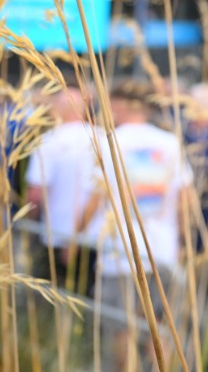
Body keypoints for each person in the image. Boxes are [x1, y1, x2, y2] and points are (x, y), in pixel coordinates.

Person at [80, 81, 193, 371]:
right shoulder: (170, 142)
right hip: (162, 251)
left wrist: (76, 234)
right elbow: (185, 200)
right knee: (160, 326)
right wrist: (182, 243)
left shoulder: (108, 141)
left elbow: (95, 197)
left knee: (122, 327)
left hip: (120, 252)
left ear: (120, 105)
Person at [25, 74, 102, 296]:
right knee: (88, 301)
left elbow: (35, 195)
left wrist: (29, 228)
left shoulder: (50, 141)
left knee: (49, 299)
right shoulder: (104, 139)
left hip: (56, 236)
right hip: (98, 240)